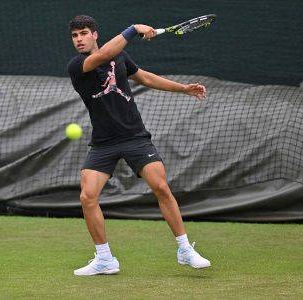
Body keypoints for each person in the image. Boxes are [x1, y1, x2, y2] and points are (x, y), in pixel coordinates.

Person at [67, 15, 210, 276]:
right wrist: (133, 29)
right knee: (87, 197)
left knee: (161, 187)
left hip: (134, 137)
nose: (79, 39)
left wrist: (183, 89)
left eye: (84, 33)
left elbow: (144, 78)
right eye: (75, 36)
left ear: (94, 34)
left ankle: (185, 249)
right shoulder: (77, 65)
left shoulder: (120, 57)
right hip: (103, 143)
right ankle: (104, 259)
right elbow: (103, 56)